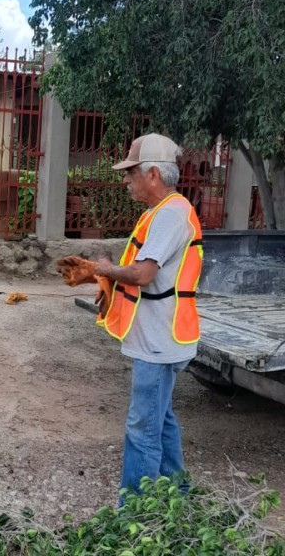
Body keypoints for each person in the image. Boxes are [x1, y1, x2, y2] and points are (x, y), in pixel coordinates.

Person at [93, 133, 203, 501]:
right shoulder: (164, 212)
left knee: (143, 427)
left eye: (131, 173)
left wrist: (106, 269)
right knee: (162, 418)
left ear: (153, 174)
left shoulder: (170, 215)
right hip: (160, 339)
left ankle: (134, 514)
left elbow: (142, 274)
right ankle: (178, 495)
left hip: (159, 343)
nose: (126, 180)